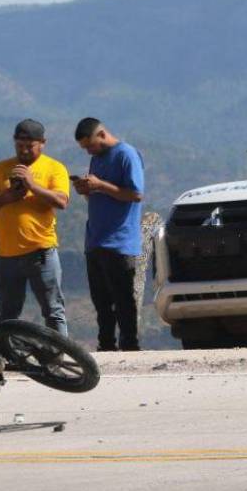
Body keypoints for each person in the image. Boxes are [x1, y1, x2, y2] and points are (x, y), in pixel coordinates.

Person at [0, 119, 70, 336]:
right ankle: (8, 357)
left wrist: (31, 185)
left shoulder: (54, 168)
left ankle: (58, 356)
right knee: (8, 313)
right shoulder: (0, 169)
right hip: (7, 255)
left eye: (30, 146)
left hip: (41, 252)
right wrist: (7, 196)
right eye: (20, 145)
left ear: (43, 143)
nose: (25, 150)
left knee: (53, 309)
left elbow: (62, 202)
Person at [72, 117, 146, 351]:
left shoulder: (126, 154)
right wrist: (86, 189)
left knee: (123, 300)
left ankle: (130, 345)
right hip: (95, 240)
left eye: (90, 145)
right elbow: (99, 194)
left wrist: (100, 185)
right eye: (84, 148)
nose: (89, 152)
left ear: (102, 134)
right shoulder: (96, 159)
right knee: (101, 302)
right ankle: (106, 345)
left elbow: (135, 194)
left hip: (119, 241)